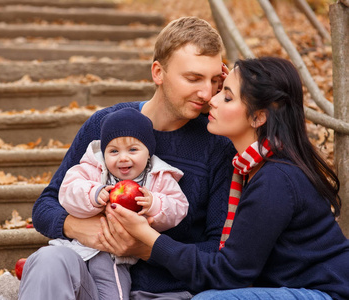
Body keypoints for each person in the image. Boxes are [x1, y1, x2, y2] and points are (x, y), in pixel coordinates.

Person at [19, 16, 235, 299]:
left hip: (167, 291)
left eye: (215, 81)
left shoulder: (217, 145)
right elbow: (45, 205)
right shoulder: (105, 125)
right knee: (48, 261)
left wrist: (147, 247)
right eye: (193, 78)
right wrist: (79, 227)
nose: (206, 92)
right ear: (158, 72)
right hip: (92, 280)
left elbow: (219, 248)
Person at [103, 57, 349, 300]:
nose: (212, 99)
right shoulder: (252, 166)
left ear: (258, 117)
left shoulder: (277, 179)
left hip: (326, 292)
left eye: (227, 96)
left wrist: (148, 238)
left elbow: (229, 274)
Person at [52, 107, 189, 300]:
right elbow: (67, 191)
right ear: (104, 153)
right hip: (79, 247)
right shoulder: (91, 170)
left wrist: (155, 204)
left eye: (133, 149)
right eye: (113, 151)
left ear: (148, 152)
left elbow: (179, 207)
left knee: (114, 294)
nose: (123, 157)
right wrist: (93, 194)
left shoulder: (159, 177)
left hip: (114, 256)